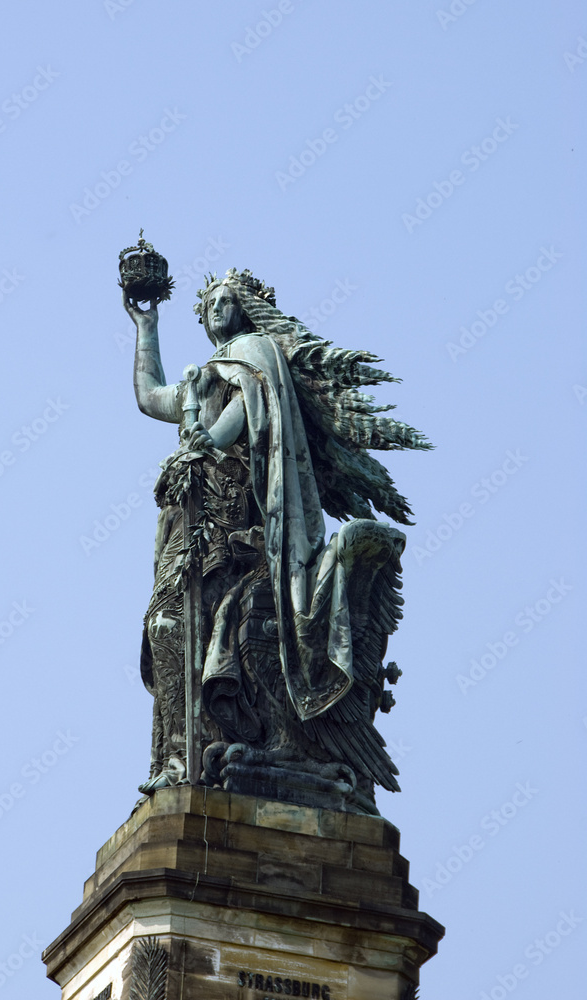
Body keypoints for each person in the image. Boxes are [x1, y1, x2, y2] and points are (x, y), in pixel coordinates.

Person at [124, 269, 430, 813]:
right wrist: (146, 327)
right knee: (165, 628)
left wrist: (204, 441)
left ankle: (209, 751)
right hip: (186, 519)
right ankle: (178, 758)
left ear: (244, 307)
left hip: (234, 520)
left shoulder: (254, 354)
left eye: (226, 299)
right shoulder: (204, 375)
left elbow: (247, 411)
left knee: (199, 625)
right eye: (209, 303)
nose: (216, 308)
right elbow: (150, 397)